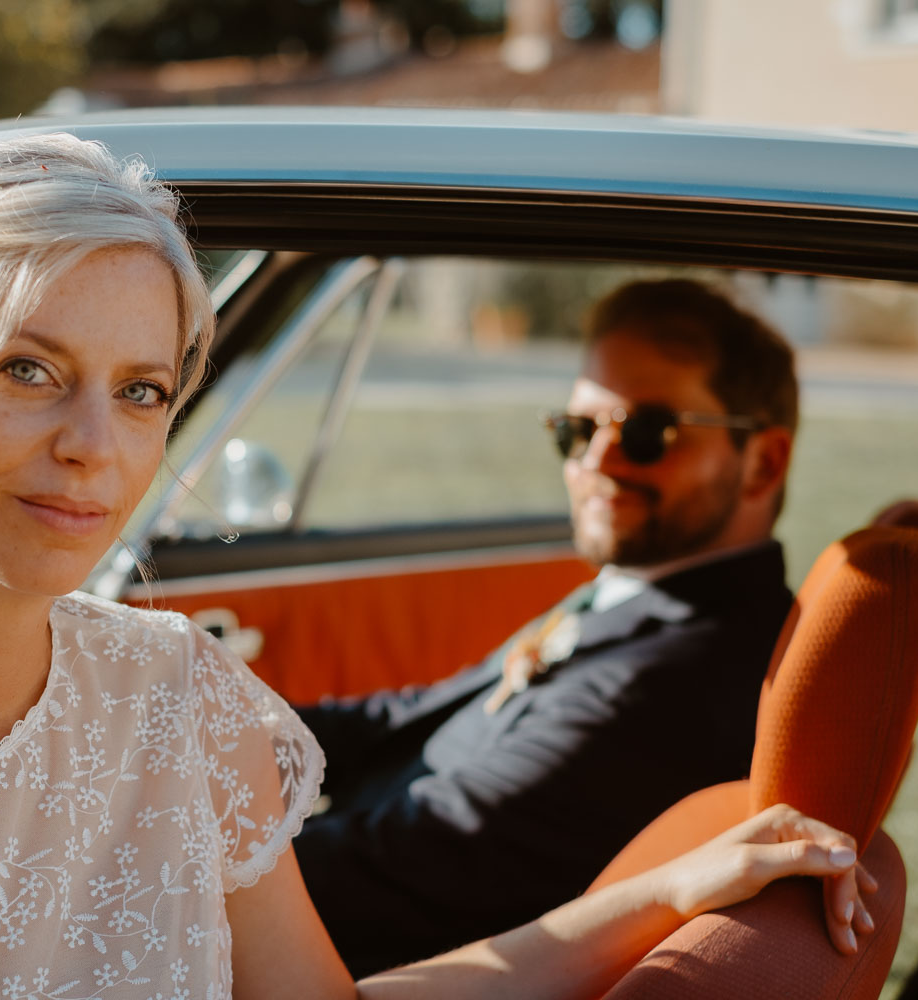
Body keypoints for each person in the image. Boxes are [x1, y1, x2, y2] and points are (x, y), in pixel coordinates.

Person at [0, 136, 868, 1000]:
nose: (94, 448)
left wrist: (671, 893)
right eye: (29, 370)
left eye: (142, 392)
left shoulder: (181, 705)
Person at [295, 279, 801, 977]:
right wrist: (231, 729)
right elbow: (418, 713)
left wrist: (157, 838)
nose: (597, 461)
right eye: (578, 429)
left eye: (650, 430)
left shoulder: (670, 683)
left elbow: (406, 862)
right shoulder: (643, 594)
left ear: (763, 462)